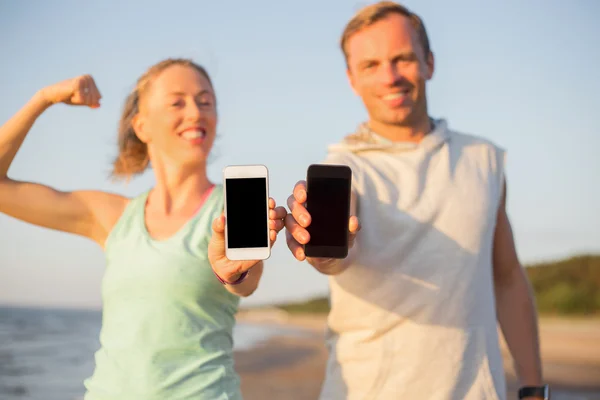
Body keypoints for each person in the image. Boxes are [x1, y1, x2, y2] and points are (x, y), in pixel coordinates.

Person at [284, 2, 548, 400]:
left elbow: (508, 277)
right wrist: (323, 253)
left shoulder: (484, 159)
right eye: (370, 65)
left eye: (402, 59)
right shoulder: (343, 168)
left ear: (429, 63)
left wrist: (532, 388)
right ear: (352, 79)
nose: (389, 77)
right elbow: (337, 259)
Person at [0, 58, 287, 399]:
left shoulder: (232, 206)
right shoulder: (113, 216)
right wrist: (43, 99)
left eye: (205, 101)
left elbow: (246, 282)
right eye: (177, 102)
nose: (196, 112)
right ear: (142, 126)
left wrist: (234, 274)